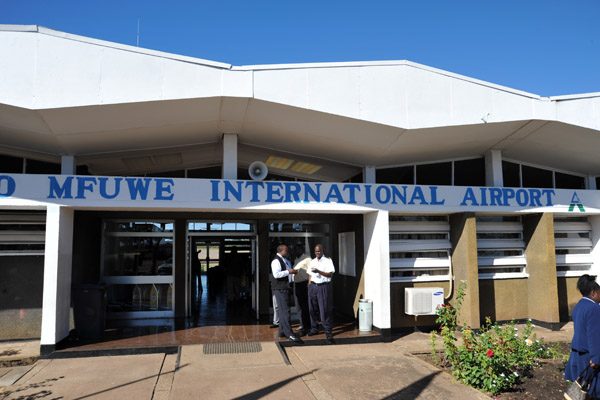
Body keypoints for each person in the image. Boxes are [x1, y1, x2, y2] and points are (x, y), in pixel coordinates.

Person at [564, 274, 600, 397]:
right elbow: (594, 335)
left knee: (581, 391)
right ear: (593, 292)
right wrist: (596, 358)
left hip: (576, 355)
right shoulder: (594, 308)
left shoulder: (579, 306)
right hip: (588, 357)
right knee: (590, 391)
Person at [270, 244, 303, 343]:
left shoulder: (284, 260)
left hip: (284, 287)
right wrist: (289, 271)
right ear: (281, 251)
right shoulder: (276, 261)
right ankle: (289, 333)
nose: (287, 253)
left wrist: (291, 272)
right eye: (286, 251)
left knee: (283, 311)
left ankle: (282, 332)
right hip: (280, 288)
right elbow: (276, 274)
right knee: (285, 311)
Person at [307, 244, 335, 343]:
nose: (317, 253)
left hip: (323, 286)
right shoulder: (313, 261)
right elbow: (310, 274)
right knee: (312, 309)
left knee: (324, 309)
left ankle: (328, 331)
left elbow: (330, 274)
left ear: (322, 250)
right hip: (313, 287)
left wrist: (319, 271)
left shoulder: (327, 261)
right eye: (316, 251)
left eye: (319, 251)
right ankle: (314, 328)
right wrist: (309, 284)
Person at [292, 245, 311, 336]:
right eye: (295, 249)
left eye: (298, 249)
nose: (296, 251)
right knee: (298, 305)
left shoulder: (307, 259)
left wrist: (309, 283)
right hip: (296, 284)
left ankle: (308, 325)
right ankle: (302, 323)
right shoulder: (296, 259)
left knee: (305, 305)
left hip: (304, 284)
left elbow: (311, 272)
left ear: (302, 249)